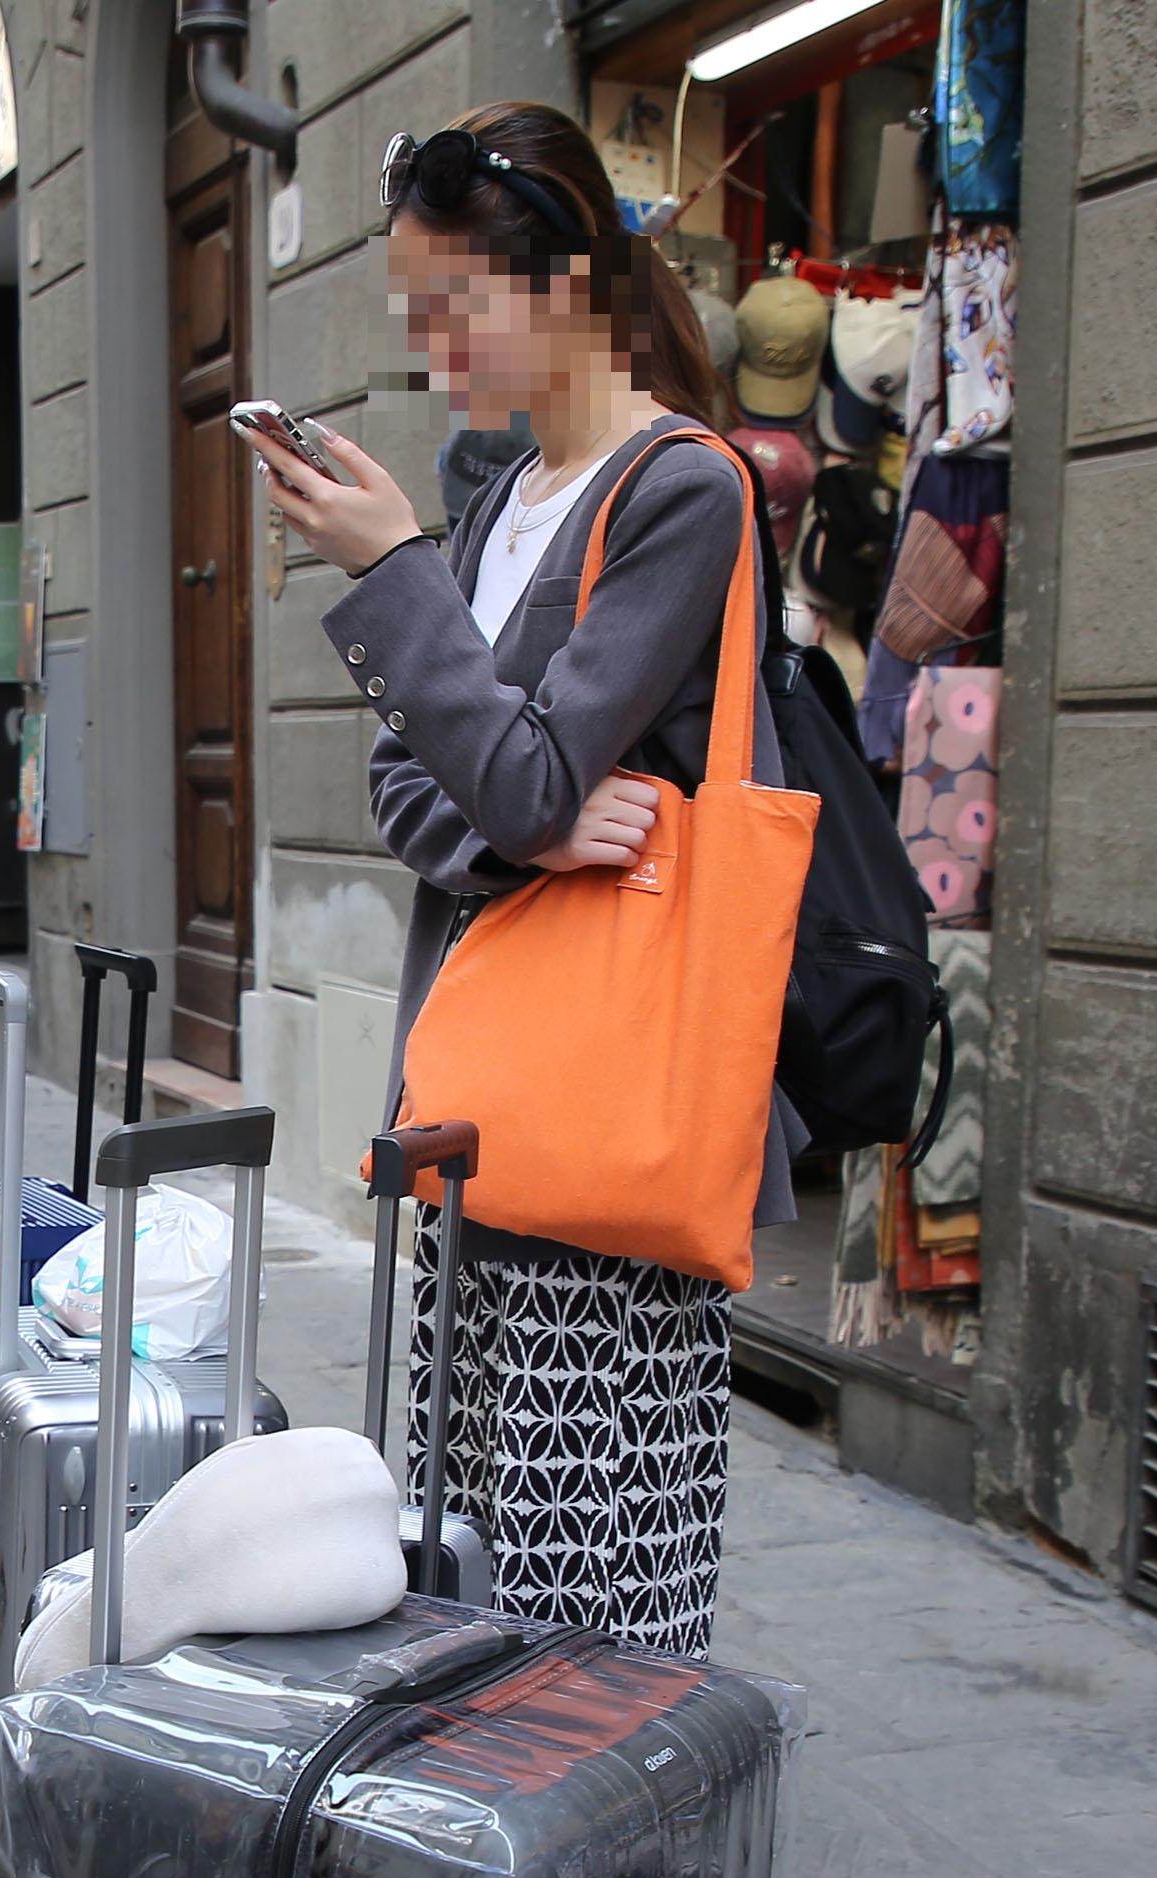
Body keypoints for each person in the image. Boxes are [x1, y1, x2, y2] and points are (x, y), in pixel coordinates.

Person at [256, 101, 774, 1657]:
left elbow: (516, 765)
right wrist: (528, 824)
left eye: (447, 305)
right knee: (468, 1532)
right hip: (489, 1093)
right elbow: (421, 778)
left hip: (606, 1099)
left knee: (584, 1561)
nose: (426, 349)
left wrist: (390, 576)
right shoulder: (490, 511)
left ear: (554, 282)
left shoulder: (680, 489)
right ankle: (489, 1857)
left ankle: (600, 1870)